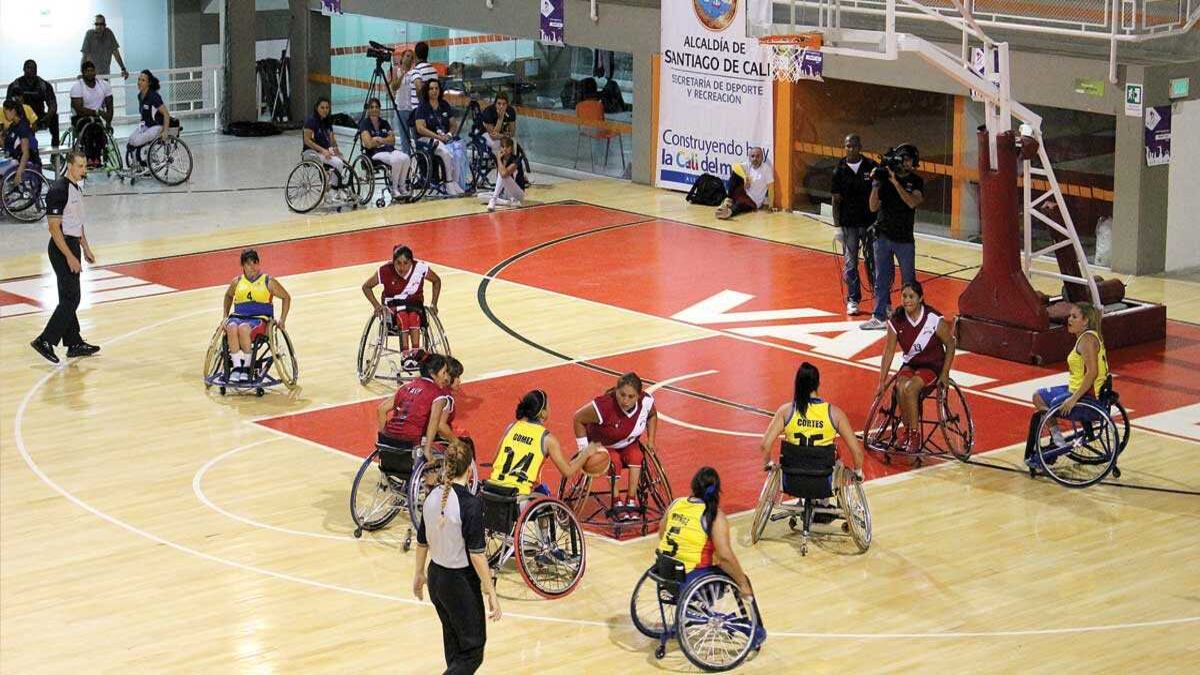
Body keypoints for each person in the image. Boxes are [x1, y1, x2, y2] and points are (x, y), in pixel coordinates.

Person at [413, 438, 501, 675]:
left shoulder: (432, 498)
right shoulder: (470, 505)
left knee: (455, 649)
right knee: (472, 652)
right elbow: (477, 555)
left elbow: (422, 541)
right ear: (470, 467)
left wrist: (419, 574)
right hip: (459, 582)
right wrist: (491, 592)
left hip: (437, 579)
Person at [656, 466, 766, 647]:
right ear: (717, 490)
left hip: (664, 572)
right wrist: (742, 583)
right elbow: (725, 557)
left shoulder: (676, 503)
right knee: (738, 576)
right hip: (690, 579)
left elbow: (662, 533)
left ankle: (693, 610)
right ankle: (750, 630)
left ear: (693, 485)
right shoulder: (714, 515)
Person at [29, 151, 100, 364]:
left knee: (67, 296)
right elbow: (54, 228)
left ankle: (74, 342)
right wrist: (69, 256)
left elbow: (76, 223)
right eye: (80, 166)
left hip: (71, 244)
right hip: (61, 248)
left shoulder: (75, 189)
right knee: (72, 298)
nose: (83, 170)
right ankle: (45, 340)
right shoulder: (59, 190)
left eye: (85, 166)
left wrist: (85, 247)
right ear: (69, 166)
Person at [875, 281, 956, 453]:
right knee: (899, 386)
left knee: (911, 389)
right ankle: (905, 430)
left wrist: (945, 372)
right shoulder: (897, 321)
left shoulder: (933, 319)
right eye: (904, 296)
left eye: (911, 296)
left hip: (932, 365)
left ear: (921, 298)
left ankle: (914, 435)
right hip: (911, 364)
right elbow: (888, 352)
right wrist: (881, 381)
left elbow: (951, 344)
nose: (907, 300)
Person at [1025, 302, 1110, 465]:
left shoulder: (1087, 341)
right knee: (1039, 395)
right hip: (1083, 391)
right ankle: (1056, 438)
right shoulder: (1090, 336)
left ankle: (1057, 439)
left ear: (1085, 321)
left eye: (1074, 317)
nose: (1069, 319)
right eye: (1070, 316)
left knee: (1039, 398)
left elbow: (1092, 373)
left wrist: (1073, 400)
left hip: (1085, 397)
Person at [572, 372, 658, 521]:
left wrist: (651, 440)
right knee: (614, 461)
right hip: (603, 445)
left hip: (628, 443)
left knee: (637, 456)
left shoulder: (646, 402)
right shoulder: (604, 405)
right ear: (616, 391)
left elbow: (652, 415)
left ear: (639, 395)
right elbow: (578, 418)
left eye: (631, 397)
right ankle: (616, 500)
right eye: (622, 394)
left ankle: (631, 500)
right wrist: (584, 450)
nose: (625, 400)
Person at [760, 362, 866, 479]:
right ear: (818, 384)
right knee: (837, 461)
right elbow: (857, 453)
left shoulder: (786, 411)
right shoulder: (835, 414)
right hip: (823, 481)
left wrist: (768, 463)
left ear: (797, 384)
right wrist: (858, 472)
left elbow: (765, 445)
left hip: (792, 480)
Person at [488, 389, 599, 498]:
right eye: (548, 405)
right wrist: (587, 452)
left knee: (540, 488)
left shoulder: (511, 427)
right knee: (545, 494)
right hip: (516, 497)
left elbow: (495, 460)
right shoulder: (547, 439)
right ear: (542, 413)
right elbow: (568, 471)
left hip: (491, 491)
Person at [861, 144, 924, 330]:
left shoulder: (916, 181)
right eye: (904, 159)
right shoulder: (885, 180)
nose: (907, 163)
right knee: (881, 278)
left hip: (904, 240)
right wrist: (876, 184)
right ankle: (880, 315)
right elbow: (873, 207)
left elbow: (912, 202)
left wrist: (896, 182)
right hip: (883, 237)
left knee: (908, 280)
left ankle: (913, 316)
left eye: (910, 160)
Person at [361, 244, 442, 366]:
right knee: (403, 317)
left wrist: (434, 303)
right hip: (393, 306)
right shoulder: (385, 270)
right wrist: (376, 305)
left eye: (406, 263)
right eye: (398, 263)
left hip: (414, 305)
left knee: (414, 317)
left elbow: (437, 280)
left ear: (412, 262)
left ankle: (415, 353)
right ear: (393, 262)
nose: (402, 267)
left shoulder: (420, 268)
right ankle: (405, 355)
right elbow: (366, 286)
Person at [220, 249, 291, 383]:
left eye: (255, 263)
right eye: (248, 264)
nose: (252, 267)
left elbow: (286, 297)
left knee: (243, 329)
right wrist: (225, 316)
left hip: (260, 320)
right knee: (231, 327)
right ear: (243, 266)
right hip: (238, 316)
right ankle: (236, 367)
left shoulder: (268, 281)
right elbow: (228, 296)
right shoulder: (237, 282)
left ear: (259, 264)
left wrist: (282, 319)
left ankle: (246, 368)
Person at [378, 353, 458, 464]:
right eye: (444, 372)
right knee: (441, 459)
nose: (446, 377)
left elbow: (381, 409)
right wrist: (427, 451)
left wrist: (383, 439)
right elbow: (435, 423)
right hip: (410, 441)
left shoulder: (405, 387)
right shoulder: (438, 394)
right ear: (432, 374)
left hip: (387, 439)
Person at [830, 134, 878, 316]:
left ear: (860, 147)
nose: (850, 149)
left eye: (854, 146)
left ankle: (878, 301)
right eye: (847, 146)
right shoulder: (839, 170)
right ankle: (853, 299)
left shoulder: (871, 166)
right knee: (850, 264)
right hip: (849, 225)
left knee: (872, 263)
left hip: (869, 224)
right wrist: (837, 227)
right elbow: (836, 201)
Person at [413, 79, 464, 196]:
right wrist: (438, 137)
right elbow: (420, 128)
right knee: (446, 152)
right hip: (427, 139)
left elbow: (453, 124)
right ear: (427, 91)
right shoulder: (422, 107)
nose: (434, 91)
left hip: (445, 137)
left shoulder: (444, 105)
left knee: (458, 150)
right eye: (431, 89)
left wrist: (449, 134)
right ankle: (449, 182)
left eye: (436, 88)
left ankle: (455, 182)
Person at [358, 97, 411, 200]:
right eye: (372, 107)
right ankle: (394, 188)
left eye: (377, 107)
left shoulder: (384, 123)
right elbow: (368, 143)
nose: (374, 109)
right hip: (374, 153)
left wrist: (380, 140)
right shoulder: (364, 123)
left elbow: (393, 140)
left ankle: (402, 186)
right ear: (368, 109)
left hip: (389, 150)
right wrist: (383, 139)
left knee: (406, 158)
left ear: (380, 109)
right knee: (396, 160)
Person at [69, 62, 114, 167]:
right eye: (87, 71)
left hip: (96, 117)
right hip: (79, 117)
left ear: (95, 71)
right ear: (83, 73)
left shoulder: (104, 85)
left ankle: (97, 158)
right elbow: (79, 109)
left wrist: (108, 121)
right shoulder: (77, 87)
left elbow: (110, 106)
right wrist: (96, 112)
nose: (90, 73)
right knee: (89, 129)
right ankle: (89, 158)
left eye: (92, 70)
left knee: (98, 129)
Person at [7, 60, 59, 148]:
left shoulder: (44, 85)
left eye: (33, 68)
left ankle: (55, 150)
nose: (31, 70)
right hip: (22, 117)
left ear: (36, 70)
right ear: (23, 69)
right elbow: (8, 106)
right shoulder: (15, 85)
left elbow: (53, 105)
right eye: (28, 67)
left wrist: (46, 118)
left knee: (54, 117)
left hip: (40, 118)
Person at [302, 96, 347, 191]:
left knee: (343, 161)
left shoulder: (327, 121)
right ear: (316, 108)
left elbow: (332, 139)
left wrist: (337, 151)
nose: (325, 110)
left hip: (325, 151)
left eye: (327, 108)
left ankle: (333, 184)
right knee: (337, 163)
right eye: (322, 108)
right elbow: (307, 140)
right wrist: (323, 151)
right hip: (312, 152)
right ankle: (335, 189)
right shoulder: (311, 121)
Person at [716, 146, 774, 220]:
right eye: (752, 156)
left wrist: (771, 205)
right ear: (749, 158)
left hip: (753, 200)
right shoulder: (748, 164)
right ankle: (728, 200)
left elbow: (771, 188)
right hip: (743, 193)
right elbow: (734, 166)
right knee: (735, 174)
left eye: (758, 156)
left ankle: (729, 212)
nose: (755, 159)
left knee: (741, 204)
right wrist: (745, 177)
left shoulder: (766, 169)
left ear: (762, 158)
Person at [127, 70, 172, 166]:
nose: (139, 82)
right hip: (146, 125)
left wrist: (165, 131)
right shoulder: (140, 96)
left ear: (149, 83)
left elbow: (166, 114)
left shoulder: (154, 96)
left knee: (136, 141)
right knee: (131, 140)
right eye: (139, 79)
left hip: (157, 126)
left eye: (143, 80)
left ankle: (149, 158)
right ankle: (138, 163)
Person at [2, 100, 40, 185]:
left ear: (13, 111)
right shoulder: (12, 126)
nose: (4, 115)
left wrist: (19, 173)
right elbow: (7, 146)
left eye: (5, 112)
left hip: (19, 162)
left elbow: (26, 153)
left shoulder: (23, 127)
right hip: (11, 159)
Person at [483, 137, 525, 211]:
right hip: (505, 194)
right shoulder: (501, 159)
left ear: (511, 148)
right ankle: (508, 203)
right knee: (480, 196)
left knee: (502, 175)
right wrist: (499, 159)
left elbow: (504, 174)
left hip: (517, 193)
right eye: (502, 147)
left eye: (507, 147)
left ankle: (493, 200)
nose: (505, 149)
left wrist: (498, 159)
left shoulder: (516, 159)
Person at [81, 15, 129, 79]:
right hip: (91, 76)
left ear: (105, 25)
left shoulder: (109, 34)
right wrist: (82, 73)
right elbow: (84, 56)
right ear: (94, 25)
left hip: (105, 76)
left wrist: (123, 68)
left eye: (101, 24)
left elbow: (116, 53)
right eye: (96, 24)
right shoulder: (89, 34)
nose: (98, 26)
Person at [479, 91, 517, 158]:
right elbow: (493, 136)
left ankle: (511, 161)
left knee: (513, 142)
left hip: (501, 134)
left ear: (507, 104)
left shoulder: (511, 111)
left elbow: (512, 132)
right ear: (495, 104)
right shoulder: (489, 111)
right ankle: (498, 162)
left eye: (504, 104)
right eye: (499, 104)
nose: (501, 106)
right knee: (497, 143)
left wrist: (502, 136)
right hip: (486, 134)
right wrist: (500, 118)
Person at [406, 41, 438, 111]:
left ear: (416, 55)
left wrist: (423, 106)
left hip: (419, 110)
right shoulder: (434, 70)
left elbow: (419, 88)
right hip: (432, 107)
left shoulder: (417, 70)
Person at [390, 47, 415, 124]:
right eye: (407, 56)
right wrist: (402, 75)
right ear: (402, 57)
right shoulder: (396, 71)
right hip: (401, 107)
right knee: (403, 134)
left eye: (411, 57)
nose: (409, 58)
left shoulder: (415, 72)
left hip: (412, 107)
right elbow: (394, 87)